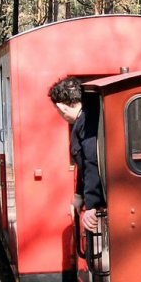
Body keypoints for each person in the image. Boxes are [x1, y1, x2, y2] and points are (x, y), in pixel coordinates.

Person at [47, 76, 104, 232]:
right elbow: (84, 163)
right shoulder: (88, 116)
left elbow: (93, 161)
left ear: (61, 107)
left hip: (105, 202)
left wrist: (92, 205)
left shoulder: (86, 123)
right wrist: (79, 194)